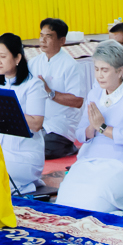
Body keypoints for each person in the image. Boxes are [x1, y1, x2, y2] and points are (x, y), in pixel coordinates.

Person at [56, 40, 123, 215]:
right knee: (66, 196)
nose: (99, 75)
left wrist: (102, 128)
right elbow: (80, 134)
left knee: (96, 199)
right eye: (96, 69)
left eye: (105, 70)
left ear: (120, 71)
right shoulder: (94, 94)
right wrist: (92, 128)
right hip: (92, 159)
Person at [0, 32, 46, 194]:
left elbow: (36, 124)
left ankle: (24, 184)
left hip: (25, 156)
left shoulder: (33, 85)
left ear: (17, 58)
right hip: (2, 150)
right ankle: (20, 186)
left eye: (3, 57)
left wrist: (8, 109)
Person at [33, 17, 91, 161]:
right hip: (38, 123)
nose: (43, 40)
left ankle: (68, 147)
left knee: (39, 151)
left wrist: (49, 92)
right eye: (41, 35)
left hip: (60, 125)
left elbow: (77, 101)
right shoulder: (34, 63)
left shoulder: (71, 66)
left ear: (62, 40)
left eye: (49, 36)